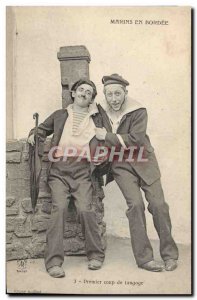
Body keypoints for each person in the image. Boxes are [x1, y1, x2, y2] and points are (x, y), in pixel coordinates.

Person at [95, 73, 179, 272]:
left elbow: (136, 139)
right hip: (121, 165)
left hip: (144, 162)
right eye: (109, 94)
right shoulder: (100, 111)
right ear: (105, 96)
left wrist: (107, 136)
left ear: (125, 92)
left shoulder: (139, 110)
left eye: (118, 93)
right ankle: (144, 259)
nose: (114, 99)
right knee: (136, 205)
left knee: (159, 206)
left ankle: (169, 255)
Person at [28, 79, 105, 278]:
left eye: (89, 92)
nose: (84, 94)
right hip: (59, 171)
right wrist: (33, 134)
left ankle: (96, 255)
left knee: (85, 209)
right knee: (59, 208)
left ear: (91, 99)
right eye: (81, 90)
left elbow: (107, 137)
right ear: (73, 93)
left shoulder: (96, 118)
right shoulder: (60, 115)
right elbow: (41, 129)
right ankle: (54, 262)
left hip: (82, 171)